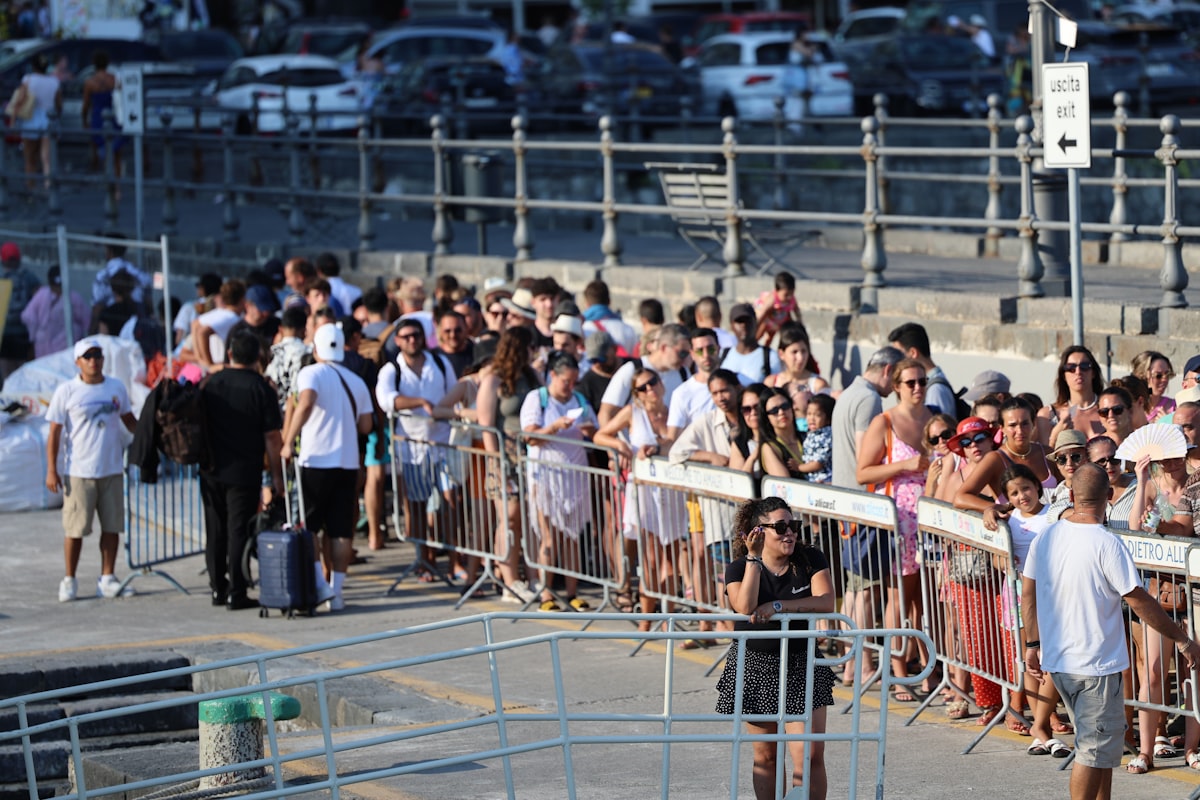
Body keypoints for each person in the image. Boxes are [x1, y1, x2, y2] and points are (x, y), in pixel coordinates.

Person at [1023, 463, 1200, 796]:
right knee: (1091, 752)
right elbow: (1139, 599)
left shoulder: (1046, 536)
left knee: (1102, 751)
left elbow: (1028, 593)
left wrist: (1032, 644)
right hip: (1095, 666)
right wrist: (1182, 639)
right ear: (1108, 495)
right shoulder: (1107, 542)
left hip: (1061, 662)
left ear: (1071, 495)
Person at [716, 496, 836, 800]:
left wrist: (779, 606)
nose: (790, 533)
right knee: (767, 757)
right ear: (758, 533)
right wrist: (754, 560)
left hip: (802, 662)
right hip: (756, 665)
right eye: (780, 527)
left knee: (810, 754)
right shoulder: (739, 567)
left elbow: (826, 601)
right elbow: (744, 606)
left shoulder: (810, 558)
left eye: (793, 525)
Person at [280, 323, 372, 612]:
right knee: (341, 530)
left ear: (316, 348)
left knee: (310, 527)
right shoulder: (356, 381)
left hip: (316, 460)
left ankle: (320, 585)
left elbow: (306, 402)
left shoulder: (310, 373)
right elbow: (366, 425)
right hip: (347, 462)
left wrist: (288, 441)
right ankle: (337, 591)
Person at [981, 464, 1073, 754]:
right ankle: (1041, 730)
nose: (1022, 496)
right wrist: (1011, 566)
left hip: (1053, 594)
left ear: (1037, 487)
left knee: (1052, 659)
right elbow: (996, 558)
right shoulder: (1007, 520)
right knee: (1030, 662)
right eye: (1014, 493)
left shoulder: (1054, 514)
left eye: (1026, 489)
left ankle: (1043, 722)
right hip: (1019, 593)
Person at [856, 358, 932, 699]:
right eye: (910, 382)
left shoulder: (935, 419)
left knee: (924, 600)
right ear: (897, 386)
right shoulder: (884, 422)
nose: (918, 388)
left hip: (930, 522)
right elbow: (863, 472)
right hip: (900, 523)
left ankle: (928, 667)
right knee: (898, 598)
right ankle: (898, 671)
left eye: (922, 381)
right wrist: (903, 464)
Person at [45, 337, 138, 602]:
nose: (94, 361)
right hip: (79, 471)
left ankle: (107, 578)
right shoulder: (67, 391)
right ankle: (69, 579)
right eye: (88, 356)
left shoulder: (116, 387)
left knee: (112, 527)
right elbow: (54, 433)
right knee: (75, 529)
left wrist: (151, 436)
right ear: (78, 362)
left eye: (98, 355)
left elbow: (129, 421)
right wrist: (51, 469)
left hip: (111, 469)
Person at [594, 366, 685, 629]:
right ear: (637, 393)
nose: (649, 389)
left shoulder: (674, 412)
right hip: (644, 489)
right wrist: (620, 445)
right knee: (651, 559)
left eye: (652, 382)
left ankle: (668, 620)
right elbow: (600, 435)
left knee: (671, 557)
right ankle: (647, 620)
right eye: (642, 387)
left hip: (672, 489)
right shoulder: (632, 412)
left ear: (661, 383)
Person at [199, 332, 283, 611]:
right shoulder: (262, 388)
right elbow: (272, 437)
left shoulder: (211, 383)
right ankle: (237, 591)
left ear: (230, 354)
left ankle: (217, 587)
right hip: (244, 470)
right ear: (258, 356)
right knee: (238, 530)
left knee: (215, 528)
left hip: (211, 467)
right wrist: (277, 476)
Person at [376, 317, 457, 581]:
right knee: (417, 507)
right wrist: (420, 402)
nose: (412, 340)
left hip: (443, 444)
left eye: (416, 335)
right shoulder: (392, 370)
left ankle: (455, 561)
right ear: (398, 341)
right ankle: (425, 560)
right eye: (407, 336)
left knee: (451, 502)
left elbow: (454, 394)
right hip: (412, 449)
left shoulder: (440, 363)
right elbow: (386, 400)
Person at [520, 350, 597, 611]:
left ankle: (572, 593)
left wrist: (590, 430)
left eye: (574, 381)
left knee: (572, 538)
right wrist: (554, 427)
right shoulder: (537, 399)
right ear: (553, 375)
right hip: (545, 477)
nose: (570, 386)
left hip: (575, 477)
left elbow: (594, 431)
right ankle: (546, 595)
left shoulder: (579, 399)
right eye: (566, 381)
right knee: (549, 539)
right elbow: (530, 437)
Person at [476, 326, 540, 605]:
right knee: (509, 517)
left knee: (532, 517)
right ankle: (509, 580)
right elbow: (487, 425)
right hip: (505, 456)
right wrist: (497, 463)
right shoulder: (493, 379)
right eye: (530, 347)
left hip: (530, 457)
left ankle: (535, 576)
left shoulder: (531, 376)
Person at [598, 323, 691, 426]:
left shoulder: (683, 372)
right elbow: (606, 413)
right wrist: (611, 436)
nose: (685, 359)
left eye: (688, 353)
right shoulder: (632, 369)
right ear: (664, 347)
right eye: (682, 353)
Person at [1040, 345, 1106, 447]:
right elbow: (1044, 455)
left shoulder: (1111, 410)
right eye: (1071, 368)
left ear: (1093, 372)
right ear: (1063, 375)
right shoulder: (1048, 415)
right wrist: (1054, 437)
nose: (1078, 372)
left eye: (1085, 366)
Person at [888, 322, 956, 418]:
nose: (896, 360)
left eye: (899, 354)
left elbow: (937, 426)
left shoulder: (935, 391)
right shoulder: (933, 385)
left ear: (913, 353)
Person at [20, 264, 88, 359]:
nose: (58, 289)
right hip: (44, 346)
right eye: (55, 286)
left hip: (66, 346)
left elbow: (86, 321)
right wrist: (33, 335)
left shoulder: (73, 298)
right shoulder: (42, 294)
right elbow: (28, 316)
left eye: (59, 286)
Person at [764, 323, 826, 424]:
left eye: (804, 351)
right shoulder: (771, 382)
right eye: (794, 352)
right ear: (781, 354)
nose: (800, 358)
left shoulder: (818, 384)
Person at [18, 53, 61, 188]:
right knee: (47, 157)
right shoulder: (54, 81)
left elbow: (20, 100)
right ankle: (49, 185)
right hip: (49, 119)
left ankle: (30, 185)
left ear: (33, 66)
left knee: (30, 157)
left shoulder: (28, 79)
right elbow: (59, 104)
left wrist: (14, 118)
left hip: (31, 119)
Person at [81, 50, 125, 178]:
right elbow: (121, 99)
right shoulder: (115, 79)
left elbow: (86, 104)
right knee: (117, 152)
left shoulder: (90, 82)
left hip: (98, 117)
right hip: (114, 116)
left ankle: (108, 179)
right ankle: (117, 182)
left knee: (101, 151)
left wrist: (84, 120)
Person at [0, 241, 38, 381]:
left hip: (4, 332)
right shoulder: (28, 276)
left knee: (6, 373)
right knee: (23, 371)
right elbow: (38, 297)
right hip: (23, 331)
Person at [721, 303, 781, 384]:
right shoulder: (723, 355)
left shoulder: (770, 357)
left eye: (748, 320)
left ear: (755, 323)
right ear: (731, 326)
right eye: (739, 321)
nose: (744, 325)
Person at [754, 273, 802, 345]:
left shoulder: (792, 299)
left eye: (792, 293)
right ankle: (752, 343)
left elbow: (796, 310)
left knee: (770, 337)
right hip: (767, 319)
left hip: (777, 320)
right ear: (777, 291)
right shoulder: (772, 300)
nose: (789, 297)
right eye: (786, 295)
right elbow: (762, 313)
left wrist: (799, 321)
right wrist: (755, 325)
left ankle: (766, 349)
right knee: (759, 334)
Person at [1131, 350, 1176, 423]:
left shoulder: (1174, 407)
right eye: (1158, 375)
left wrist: (1169, 423)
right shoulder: (1128, 409)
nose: (1164, 379)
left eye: (1167, 374)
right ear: (1143, 376)